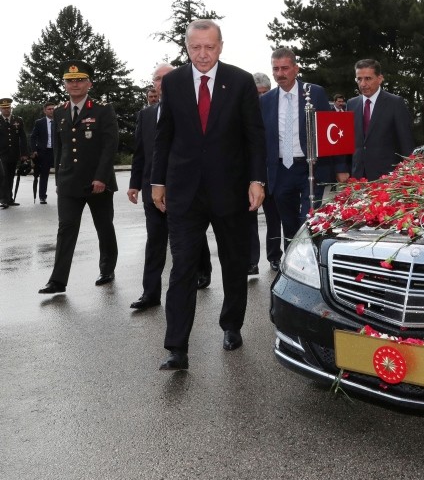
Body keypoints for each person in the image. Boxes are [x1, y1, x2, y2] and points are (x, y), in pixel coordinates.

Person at [151, 19, 267, 370]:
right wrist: (158, 182)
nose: (203, 54)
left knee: (233, 262)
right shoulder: (172, 83)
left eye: (209, 47)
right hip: (184, 192)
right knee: (183, 267)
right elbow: (164, 135)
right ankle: (177, 347)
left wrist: (256, 180)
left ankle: (232, 325)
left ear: (220, 46)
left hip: (230, 190)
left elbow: (254, 136)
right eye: (195, 47)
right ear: (187, 47)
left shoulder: (241, 81)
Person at [127, 63, 213, 311]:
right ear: (153, 83)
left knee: (189, 238)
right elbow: (140, 153)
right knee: (155, 241)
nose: (162, 82)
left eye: (168, 77)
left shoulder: (192, 110)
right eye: (157, 78)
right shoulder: (146, 114)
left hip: (183, 189)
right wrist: (135, 184)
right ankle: (150, 293)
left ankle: (202, 270)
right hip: (152, 189)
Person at [38, 61, 119, 294]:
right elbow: (60, 149)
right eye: (70, 81)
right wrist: (57, 180)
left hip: (97, 182)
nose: (74, 84)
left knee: (104, 226)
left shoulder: (103, 109)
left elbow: (109, 146)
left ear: (89, 83)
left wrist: (101, 177)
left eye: (79, 80)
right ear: (64, 84)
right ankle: (58, 280)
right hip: (68, 182)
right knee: (66, 228)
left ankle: (107, 269)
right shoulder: (61, 111)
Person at [261, 47, 347, 248]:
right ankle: (293, 256)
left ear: (296, 69)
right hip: (281, 170)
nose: (280, 74)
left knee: (308, 219)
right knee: (289, 222)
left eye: (285, 68)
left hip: (310, 167)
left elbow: (330, 132)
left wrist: (340, 166)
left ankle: (310, 257)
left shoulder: (314, 93)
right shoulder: (265, 101)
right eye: (276, 69)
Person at [346, 59, 414, 181]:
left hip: (387, 176)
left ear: (380, 78)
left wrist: (408, 173)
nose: (363, 84)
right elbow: (348, 141)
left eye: (368, 78)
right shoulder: (351, 104)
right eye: (359, 79)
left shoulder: (395, 103)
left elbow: (406, 142)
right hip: (358, 176)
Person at [247, 72, 282, 275]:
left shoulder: (275, 112)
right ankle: (251, 262)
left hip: (271, 174)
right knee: (249, 220)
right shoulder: (243, 110)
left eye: (265, 92)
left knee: (273, 219)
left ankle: (274, 256)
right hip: (249, 174)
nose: (261, 97)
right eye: (257, 93)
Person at [0, 97, 29, 208]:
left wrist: (24, 154)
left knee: (11, 176)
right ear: (0, 109)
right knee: (3, 176)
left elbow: (23, 138)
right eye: (4, 108)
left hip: (14, 153)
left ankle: (9, 198)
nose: (6, 110)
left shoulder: (18, 120)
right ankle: (3, 199)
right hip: (1, 154)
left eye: (8, 108)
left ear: (11, 108)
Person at [28, 101, 56, 204]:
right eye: (49, 109)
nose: (52, 111)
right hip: (44, 152)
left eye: (53, 109)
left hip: (57, 151)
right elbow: (33, 137)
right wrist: (34, 150)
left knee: (63, 174)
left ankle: (64, 195)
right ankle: (42, 196)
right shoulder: (39, 122)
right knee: (44, 175)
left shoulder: (60, 121)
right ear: (45, 111)